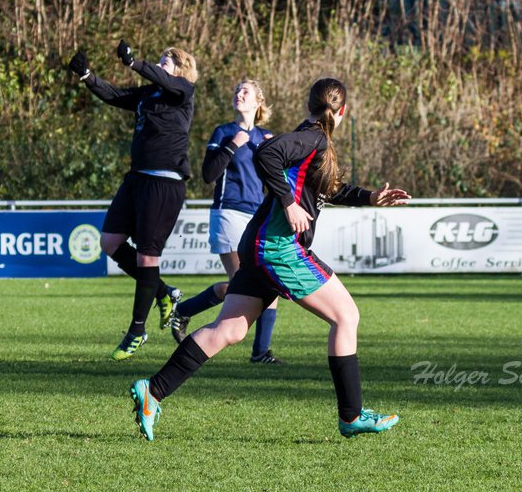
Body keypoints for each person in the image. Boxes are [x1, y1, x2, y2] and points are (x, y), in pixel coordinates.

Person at [129, 77, 410, 441]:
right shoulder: (314, 137)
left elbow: (328, 190)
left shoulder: (312, 139)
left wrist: (370, 198)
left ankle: (153, 391)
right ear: (344, 111)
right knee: (346, 316)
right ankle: (351, 415)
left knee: (229, 330)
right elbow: (267, 154)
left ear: (310, 104)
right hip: (277, 248)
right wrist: (289, 204)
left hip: (259, 245)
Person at [68, 39, 194, 360]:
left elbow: (165, 79)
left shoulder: (182, 92)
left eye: (165, 62)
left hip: (164, 183)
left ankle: (137, 331)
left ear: (179, 71)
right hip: (136, 179)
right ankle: (164, 292)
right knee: (109, 242)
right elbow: (115, 95)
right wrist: (87, 76)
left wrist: (135, 62)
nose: (159, 67)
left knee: (147, 257)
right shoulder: (148, 94)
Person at [167, 79, 284, 363]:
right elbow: (208, 174)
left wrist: (277, 154)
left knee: (269, 285)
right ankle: (184, 313)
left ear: (258, 102)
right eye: (236, 90)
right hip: (228, 213)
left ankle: (259, 353)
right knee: (241, 285)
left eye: (245, 91)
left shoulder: (266, 137)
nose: (238, 94)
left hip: (256, 217)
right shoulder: (224, 132)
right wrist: (232, 146)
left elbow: (277, 180)